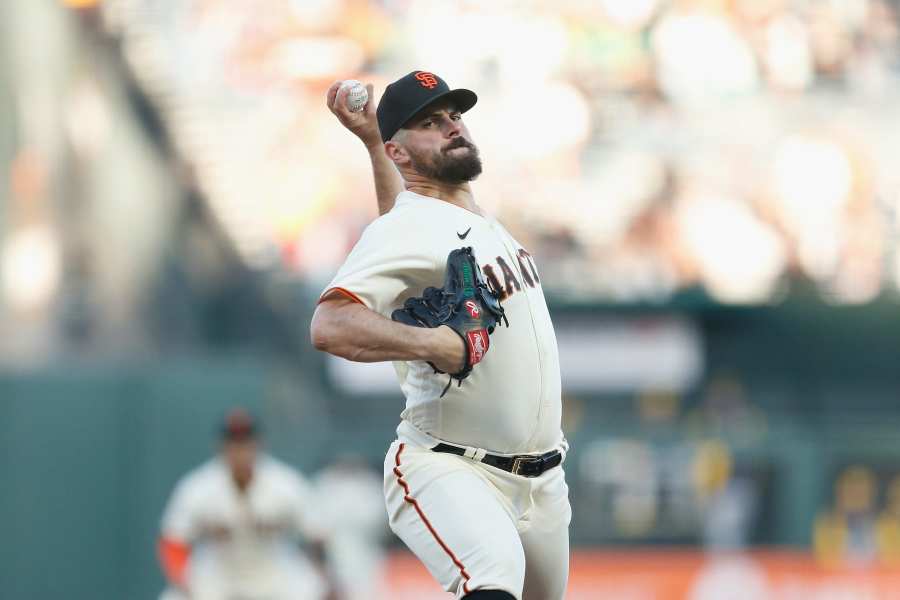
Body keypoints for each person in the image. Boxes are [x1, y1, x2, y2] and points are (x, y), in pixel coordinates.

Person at [311, 71, 571, 600]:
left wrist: (371, 143)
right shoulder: (411, 227)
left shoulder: (462, 219)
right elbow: (330, 323)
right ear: (400, 153)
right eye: (430, 123)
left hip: (543, 482)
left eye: (454, 116)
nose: (452, 127)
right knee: (491, 585)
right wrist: (435, 344)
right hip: (452, 464)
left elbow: (408, 228)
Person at [157, 408, 328, 600]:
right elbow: (174, 540)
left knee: (313, 588)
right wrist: (182, 580)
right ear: (221, 446)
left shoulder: (286, 484)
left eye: (246, 442)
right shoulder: (199, 487)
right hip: (218, 570)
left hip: (273, 567)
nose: (240, 450)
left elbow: (317, 536)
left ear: (258, 444)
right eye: (234, 443)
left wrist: (322, 576)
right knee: (173, 597)